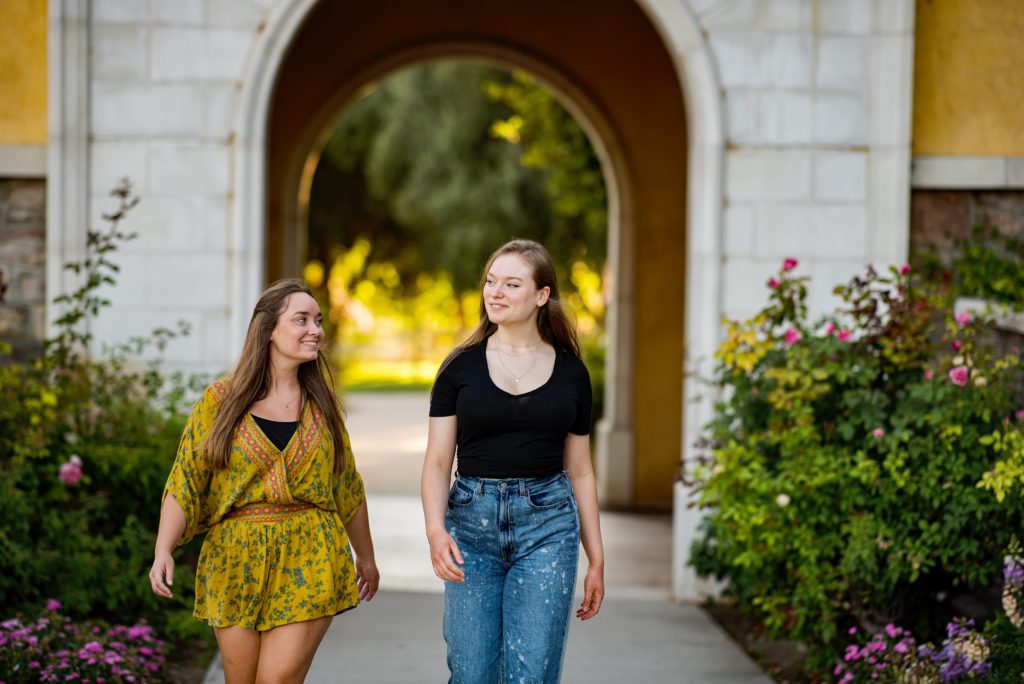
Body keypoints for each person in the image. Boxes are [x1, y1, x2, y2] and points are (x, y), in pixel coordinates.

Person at [149, 278, 379, 683]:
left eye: (318, 320)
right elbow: (187, 477)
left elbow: (347, 486)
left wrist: (367, 557)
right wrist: (163, 549)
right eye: (302, 320)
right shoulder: (220, 401)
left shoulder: (322, 406)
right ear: (269, 329)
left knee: (276, 680)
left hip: (309, 552)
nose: (316, 330)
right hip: (234, 559)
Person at [421, 239, 605, 683]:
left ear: (542, 295)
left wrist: (596, 559)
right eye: (490, 281)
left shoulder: (572, 373)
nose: (494, 292)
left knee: (532, 675)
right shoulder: (459, 368)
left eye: (511, 283)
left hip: (548, 526)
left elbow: (579, 470)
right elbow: (437, 462)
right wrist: (435, 530)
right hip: (471, 526)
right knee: (471, 674)